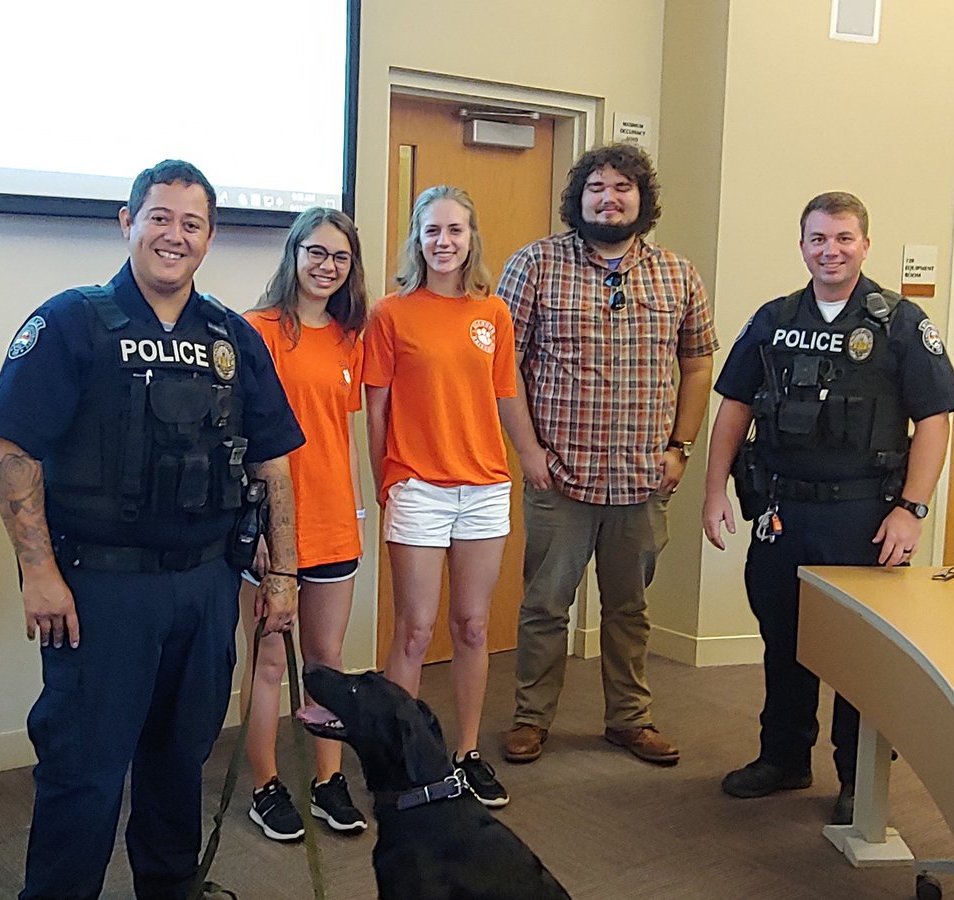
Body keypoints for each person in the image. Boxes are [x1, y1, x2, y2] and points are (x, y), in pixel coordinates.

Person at [0, 160, 304, 899]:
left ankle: (168, 887)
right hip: (99, 590)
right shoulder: (70, 322)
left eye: (191, 223)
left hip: (207, 584)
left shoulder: (231, 336)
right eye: (159, 217)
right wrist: (38, 572)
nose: (174, 235)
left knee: (178, 762)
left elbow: (274, 463)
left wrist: (283, 574)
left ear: (210, 238)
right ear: (127, 223)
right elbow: (12, 449)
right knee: (83, 771)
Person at [702, 191, 954, 824]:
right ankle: (784, 756)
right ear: (802, 246)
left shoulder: (899, 323)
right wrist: (714, 492)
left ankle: (857, 776)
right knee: (783, 637)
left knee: (861, 654)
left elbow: (934, 421)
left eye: (844, 238)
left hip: (864, 516)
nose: (831, 250)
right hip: (782, 510)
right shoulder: (774, 319)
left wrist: (912, 509)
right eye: (818, 239)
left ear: (865, 245)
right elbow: (734, 407)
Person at [497, 143, 718, 767]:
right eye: (597, 186)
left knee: (630, 609)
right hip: (558, 476)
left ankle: (630, 720)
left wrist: (680, 448)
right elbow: (503, 366)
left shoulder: (677, 274)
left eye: (622, 186)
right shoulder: (535, 265)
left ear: (642, 200)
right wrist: (528, 451)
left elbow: (698, 363)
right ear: (579, 197)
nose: (609, 197)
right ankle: (531, 719)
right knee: (544, 608)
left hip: (643, 479)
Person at [363, 184, 516, 808]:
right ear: (417, 238)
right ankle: (400, 757)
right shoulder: (391, 313)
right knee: (415, 630)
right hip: (418, 487)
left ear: (471, 238)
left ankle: (466, 752)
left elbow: (504, 399)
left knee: (473, 626)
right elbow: (376, 409)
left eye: (455, 230)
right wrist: (385, 481)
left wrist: (527, 458)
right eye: (432, 231)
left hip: (483, 489)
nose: (444, 242)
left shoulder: (493, 314)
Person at [239, 207, 369, 841]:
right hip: (272, 531)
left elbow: (336, 437)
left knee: (327, 662)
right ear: (293, 255)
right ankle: (264, 785)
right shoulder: (255, 331)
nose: (326, 266)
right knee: (267, 661)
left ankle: (327, 780)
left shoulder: (349, 338)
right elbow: (237, 441)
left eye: (340, 257)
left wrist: (355, 512)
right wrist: (260, 530)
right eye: (315, 253)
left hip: (334, 523)